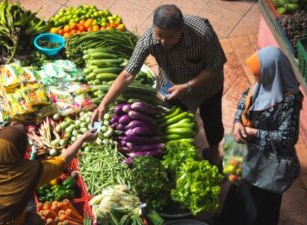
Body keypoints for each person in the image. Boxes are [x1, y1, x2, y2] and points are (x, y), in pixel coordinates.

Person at [91, 4, 227, 166]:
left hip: (207, 87)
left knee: (213, 123)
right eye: (159, 35)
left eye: (169, 37)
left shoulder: (202, 33)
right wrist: (103, 104)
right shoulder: (149, 39)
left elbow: (215, 66)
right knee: (170, 116)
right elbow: (128, 74)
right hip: (170, 84)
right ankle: (181, 154)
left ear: (181, 30)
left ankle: (214, 155)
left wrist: (187, 85)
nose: (163, 41)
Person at [218, 46, 303, 225]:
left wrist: (254, 133)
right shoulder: (261, 84)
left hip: (267, 162)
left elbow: (287, 138)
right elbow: (243, 104)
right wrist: (237, 124)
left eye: (258, 75)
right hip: (245, 153)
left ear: (272, 72)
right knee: (238, 191)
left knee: (259, 206)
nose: (255, 79)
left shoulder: (291, 100)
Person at [0, 124, 97, 225]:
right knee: (35, 220)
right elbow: (62, 161)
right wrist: (82, 139)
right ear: (22, 151)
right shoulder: (31, 171)